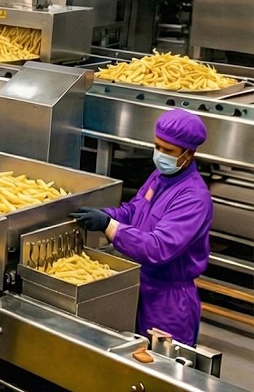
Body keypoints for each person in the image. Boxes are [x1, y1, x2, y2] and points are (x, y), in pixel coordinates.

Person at [72, 109, 213, 346]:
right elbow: (134, 211)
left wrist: (110, 226)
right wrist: (104, 215)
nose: (160, 155)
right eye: (157, 146)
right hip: (139, 287)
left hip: (167, 304)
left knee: (160, 372)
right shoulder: (159, 177)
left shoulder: (193, 198)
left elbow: (158, 247)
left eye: (168, 151)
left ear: (188, 154)